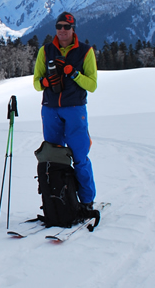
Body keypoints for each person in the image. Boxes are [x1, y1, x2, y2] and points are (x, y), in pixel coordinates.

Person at [32, 11, 98, 208]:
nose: (62, 30)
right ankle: (56, 199)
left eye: (67, 27)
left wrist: (74, 73)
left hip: (75, 109)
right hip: (50, 109)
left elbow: (92, 85)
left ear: (73, 29)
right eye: (59, 26)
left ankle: (86, 200)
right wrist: (45, 81)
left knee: (79, 157)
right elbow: (36, 84)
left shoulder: (85, 51)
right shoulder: (45, 51)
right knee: (52, 157)